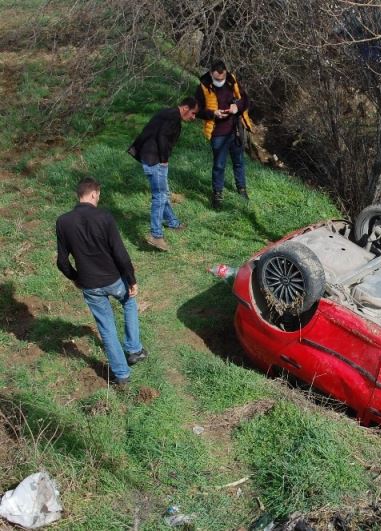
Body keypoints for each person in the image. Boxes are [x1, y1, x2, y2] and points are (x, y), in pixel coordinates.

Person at [56, 177, 147, 387]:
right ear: (94, 194)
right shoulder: (104, 217)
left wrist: (76, 278)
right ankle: (134, 350)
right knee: (129, 302)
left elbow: (62, 261)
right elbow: (120, 253)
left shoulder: (63, 221)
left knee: (106, 328)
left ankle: (122, 376)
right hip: (114, 279)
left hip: (90, 284)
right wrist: (131, 279)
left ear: (78, 195)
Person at [128, 97, 198, 251]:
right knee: (159, 196)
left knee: (163, 192)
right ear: (185, 108)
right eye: (193, 113)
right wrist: (164, 160)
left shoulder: (167, 113)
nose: (193, 117)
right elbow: (162, 137)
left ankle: (173, 223)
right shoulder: (173, 117)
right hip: (155, 159)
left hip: (150, 156)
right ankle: (156, 235)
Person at [195, 60, 254, 210]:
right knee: (219, 165)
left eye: (222, 78)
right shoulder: (203, 86)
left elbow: (245, 100)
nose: (220, 81)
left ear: (226, 73)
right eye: (217, 79)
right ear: (210, 74)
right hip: (217, 133)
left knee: (239, 162)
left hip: (235, 130)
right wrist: (212, 113)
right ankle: (217, 194)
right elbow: (197, 111)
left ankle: (242, 189)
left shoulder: (232, 81)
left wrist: (237, 107)